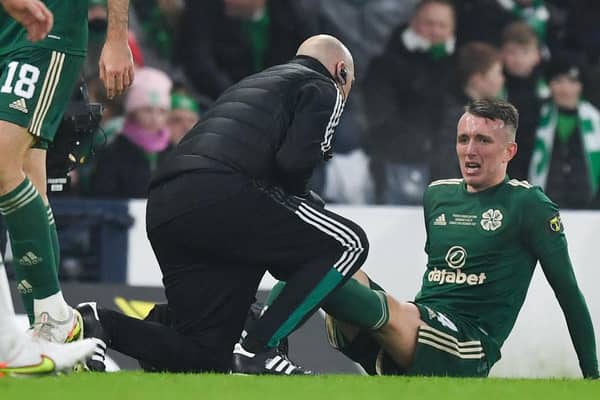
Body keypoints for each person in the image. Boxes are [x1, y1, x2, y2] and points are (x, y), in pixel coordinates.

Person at [77, 34, 368, 375]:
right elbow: (293, 165)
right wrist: (306, 213)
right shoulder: (325, 86)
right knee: (348, 243)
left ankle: (97, 322)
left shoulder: (254, 83)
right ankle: (260, 349)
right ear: (341, 71)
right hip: (223, 194)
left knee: (207, 354)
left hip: (167, 204)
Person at [269, 98, 599, 378]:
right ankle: (262, 347)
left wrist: (592, 375)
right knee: (327, 263)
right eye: (463, 138)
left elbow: (568, 291)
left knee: (373, 300)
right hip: (417, 327)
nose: (470, 150)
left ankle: (262, 339)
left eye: (483, 140)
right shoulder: (438, 195)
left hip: (469, 345)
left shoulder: (530, 204)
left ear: (509, 151)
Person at [0, 0, 133, 345]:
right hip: (8, 23)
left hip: (46, 32)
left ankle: (53, 314)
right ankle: (47, 331)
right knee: (28, 175)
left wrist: (117, 37)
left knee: (2, 163)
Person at [528, 57, 600, 209]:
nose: (565, 89)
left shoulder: (596, 120)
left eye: (572, 81)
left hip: (589, 212)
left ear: (581, 85)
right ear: (550, 85)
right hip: (543, 208)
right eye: (559, 81)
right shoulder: (534, 120)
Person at [93, 67, 173, 199]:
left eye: (161, 111)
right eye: (147, 110)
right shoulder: (114, 152)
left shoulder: (173, 151)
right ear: (132, 113)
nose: (154, 118)